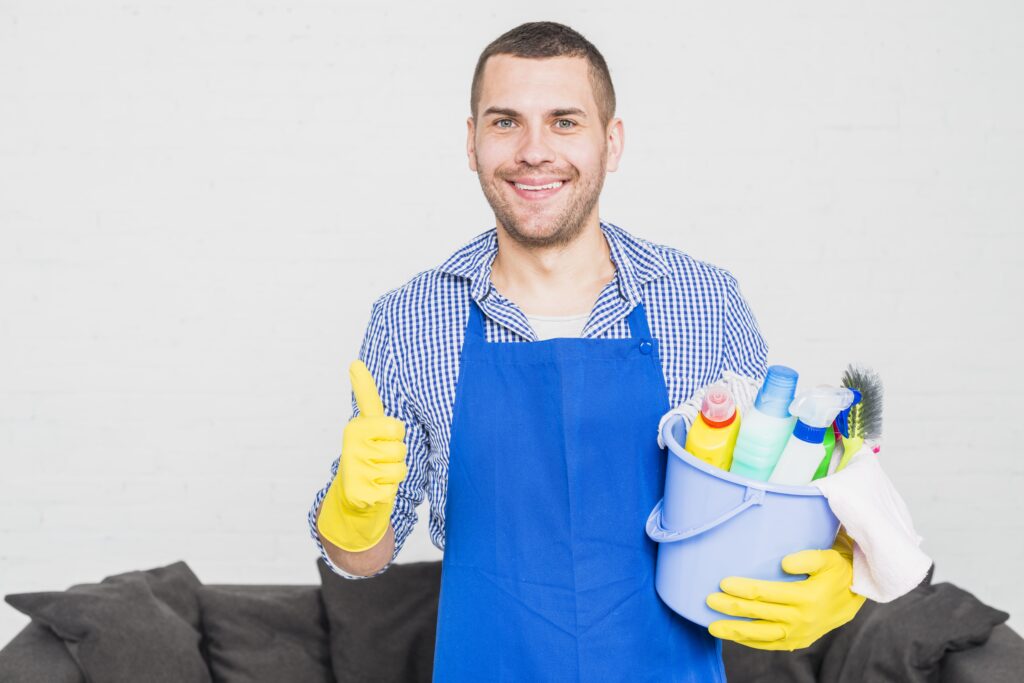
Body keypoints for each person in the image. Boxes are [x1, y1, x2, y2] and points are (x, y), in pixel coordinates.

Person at [309, 21, 864, 681]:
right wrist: (353, 507)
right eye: (506, 122)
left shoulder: (703, 302)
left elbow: (780, 489)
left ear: (612, 140)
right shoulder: (409, 319)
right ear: (471, 141)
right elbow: (364, 555)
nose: (534, 151)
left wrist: (846, 569)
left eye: (565, 122)